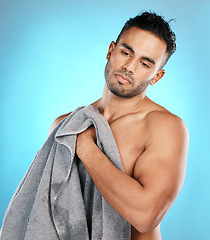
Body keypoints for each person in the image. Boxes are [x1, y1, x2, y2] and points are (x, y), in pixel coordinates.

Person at [49, 11, 189, 240]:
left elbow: (146, 216)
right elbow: (46, 206)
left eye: (145, 63)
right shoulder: (65, 125)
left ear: (156, 77)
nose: (129, 67)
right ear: (110, 50)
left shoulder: (164, 127)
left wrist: (86, 147)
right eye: (126, 52)